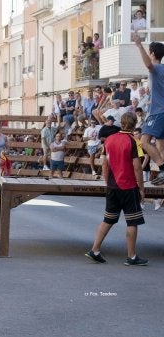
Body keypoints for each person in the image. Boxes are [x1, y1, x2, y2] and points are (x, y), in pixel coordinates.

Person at [85, 112, 148, 266]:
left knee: (108, 219)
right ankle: (131, 256)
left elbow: (104, 163)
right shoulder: (133, 141)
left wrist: (108, 182)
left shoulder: (110, 139)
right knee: (132, 221)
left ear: (121, 123)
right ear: (134, 125)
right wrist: (141, 189)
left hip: (113, 186)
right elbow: (137, 167)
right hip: (128, 186)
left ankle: (95, 249)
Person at [133, 34, 164, 185]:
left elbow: (149, 65)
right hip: (161, 112)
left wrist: (139, 45)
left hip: (157, 112)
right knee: (161, 146)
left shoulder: (156, 68)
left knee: (144, 142)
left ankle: (163, 169)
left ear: (152, 53)